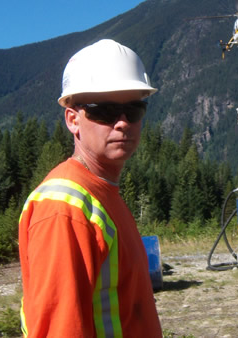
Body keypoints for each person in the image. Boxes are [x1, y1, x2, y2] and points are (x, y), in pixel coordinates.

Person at [19, 39, 162, 337]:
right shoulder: (64, 210)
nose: (122, 123)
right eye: (105, 111)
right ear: (73, 119)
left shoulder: (102, 194)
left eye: (134, 109)